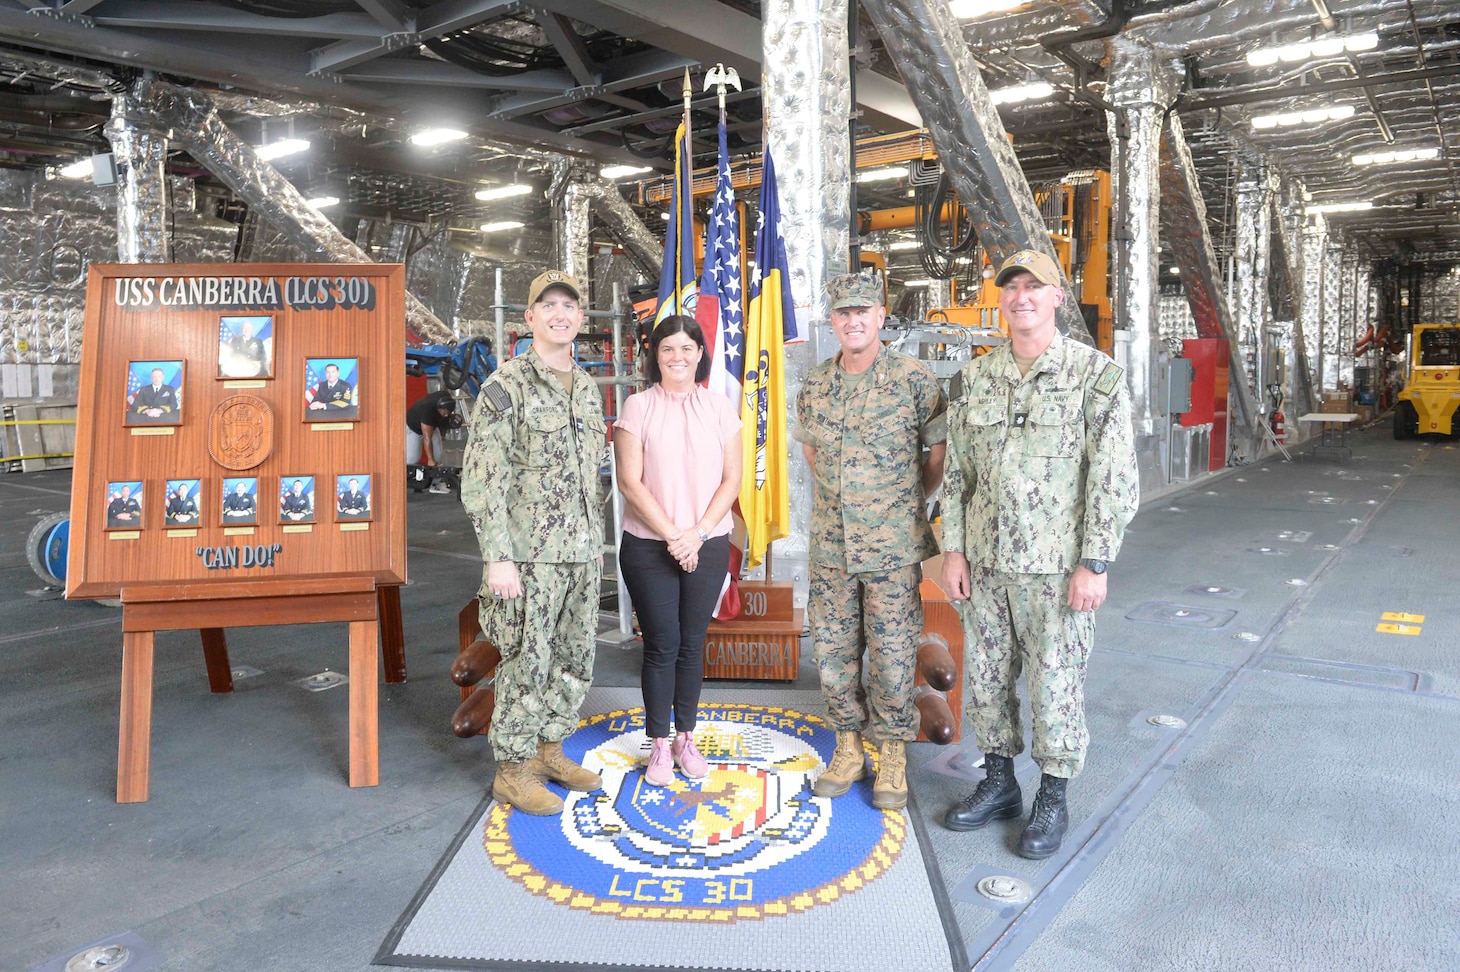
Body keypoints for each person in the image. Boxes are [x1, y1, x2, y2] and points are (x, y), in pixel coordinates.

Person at [939, 249, 1139, 859]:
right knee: (988, 682)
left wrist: (1095, 561)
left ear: (1058, 297)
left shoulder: (1094, 376)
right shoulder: (974, 379)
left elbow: (1114, 476)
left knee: (1056, 684)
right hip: (987, 564)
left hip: (1057, 570)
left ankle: (1052, 794)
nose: (1021, 297)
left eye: (1034, 287)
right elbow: (956, 475)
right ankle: (999, 782)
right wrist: (953, 550)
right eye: (1011, 288)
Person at [793, 270, 947, 811]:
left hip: (893, 549)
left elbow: (935, 460)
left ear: (881, 317)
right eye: (843, 313)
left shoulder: (915, 380)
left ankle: (892, 756)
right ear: (832, 321)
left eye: (863, 311)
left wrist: (898, 505)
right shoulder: (815, 385)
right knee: (834, 655)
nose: (853, 321)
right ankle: (848, 749)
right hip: (833, 548)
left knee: (891, 656)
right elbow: (812, 454)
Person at [460, 269, 607, 816]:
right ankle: (513, 771)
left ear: (580, 319)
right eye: (548, 306)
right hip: (526, 559)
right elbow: (482, 480)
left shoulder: (587, 387)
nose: (560, 314)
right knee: (526, 661)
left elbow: (591, 474)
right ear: (530, 318)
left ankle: (550, 750)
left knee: (572, 660)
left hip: (580, 554)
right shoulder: (507, 387)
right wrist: (498, 558)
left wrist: (591, 539)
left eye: (569, 306)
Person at [614, 315, 743, 787]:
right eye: (668, 348)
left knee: (692, 644)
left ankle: (686, 737)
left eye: (687, 348)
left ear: (700, 354)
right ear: (656, 355)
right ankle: (659, 744)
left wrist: (698, 534)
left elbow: (732, 479)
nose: (678, 357)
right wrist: (674, 535)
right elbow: (630, 481)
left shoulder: (720, 409)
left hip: (707, 544)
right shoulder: (637, 406)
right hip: (650, 546)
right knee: (662, 645)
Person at [407, 390, 460, 494]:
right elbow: (427, 438)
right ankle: (402, 483)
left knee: (438, 455)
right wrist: (430, 459)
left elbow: (445, 420)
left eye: (448, 413)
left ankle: (435, 485)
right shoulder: (427, 410)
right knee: (412, 459)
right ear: (440, 408)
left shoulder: (446, 399)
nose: (446, 415)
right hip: (413, 428)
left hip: (432, 425)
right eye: (444, 413)